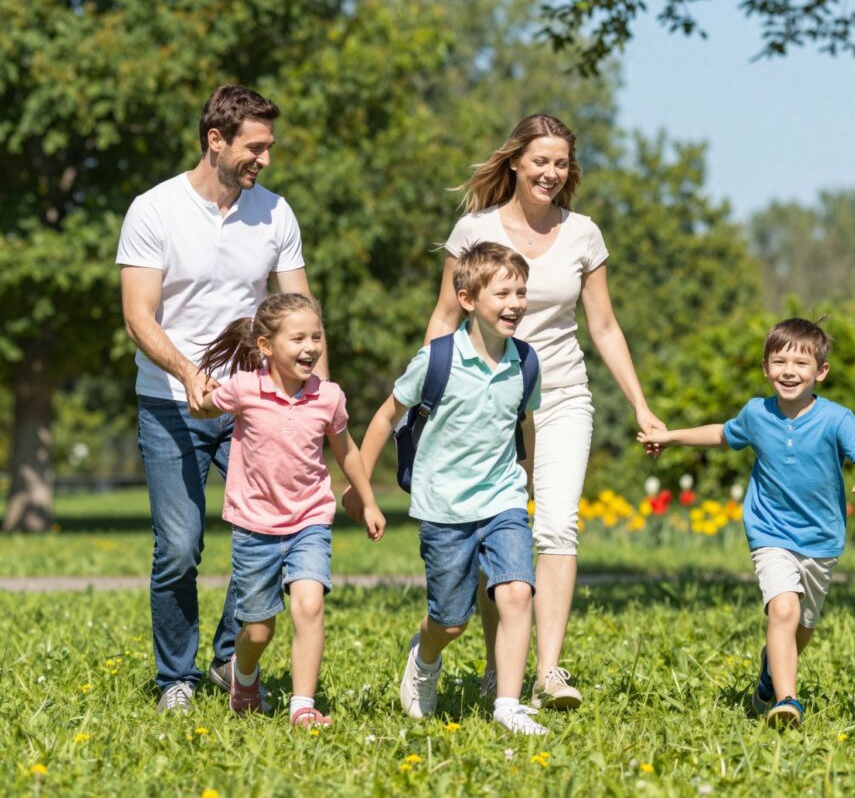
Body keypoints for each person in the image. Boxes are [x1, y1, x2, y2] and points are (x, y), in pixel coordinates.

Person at [423, 114, 664, 711]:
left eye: (561, 163)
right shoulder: (474, 229)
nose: (551, 173)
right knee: (489, 526)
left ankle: (549, 672)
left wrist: (641, 405)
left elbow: (603, 327)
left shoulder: (583, 234)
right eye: (540, 162)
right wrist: (429, 396)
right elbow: (443, 320)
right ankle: (495, 666)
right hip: (486, 401)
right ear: (515, 163)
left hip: (560, 395)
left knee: (556, 524)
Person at [116, 84, 324, 713]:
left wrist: (312, 399)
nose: (264, 159)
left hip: (254, 406)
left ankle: (230, 658)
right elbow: (138, 315)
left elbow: (302, 312)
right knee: (179, 548)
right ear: (216, 140)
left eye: (269, 147)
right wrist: (186, 373)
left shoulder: (276, 213)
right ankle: (173, 678)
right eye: (254, 147)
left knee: (268, 531)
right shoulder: (153, 210)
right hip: (168, 400)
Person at [638, 317, 855, 729]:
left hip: (821, 539)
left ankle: (771, 671)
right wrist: (671, 436)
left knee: (803, 626)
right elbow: (721, 434)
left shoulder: (837, 419)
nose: (789, 371)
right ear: (766, 368)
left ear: (821, 372)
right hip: (769, 531)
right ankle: (787, 701)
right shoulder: (756, 413)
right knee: (783, 610)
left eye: (801, 363)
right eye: (779, 361)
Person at [350, 242, 546, 734]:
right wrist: (362, 489)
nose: (515, 303)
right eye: (503, 292)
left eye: (521, 292)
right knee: (451, 621)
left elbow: (525, 423)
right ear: (467, 299)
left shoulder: (525, 362)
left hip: (503, 499)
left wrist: (528, 476)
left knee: (518, 593)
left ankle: (507, 705)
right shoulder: (436, 359)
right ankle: (426, 655)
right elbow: (384, 417)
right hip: (443, 506)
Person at [194, 293, 385, 727]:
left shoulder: (328, 397)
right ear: (266, 347)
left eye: (316, 337)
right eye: (297, 338)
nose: (310, 347)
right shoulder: (244, 388)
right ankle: (244, 678)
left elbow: (347, 450)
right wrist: (201, 397)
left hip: (309, 520)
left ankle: (302, 706)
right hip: (254, 526)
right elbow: (205, 407)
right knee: (258, 630)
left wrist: (368, 499)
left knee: (309, 606)